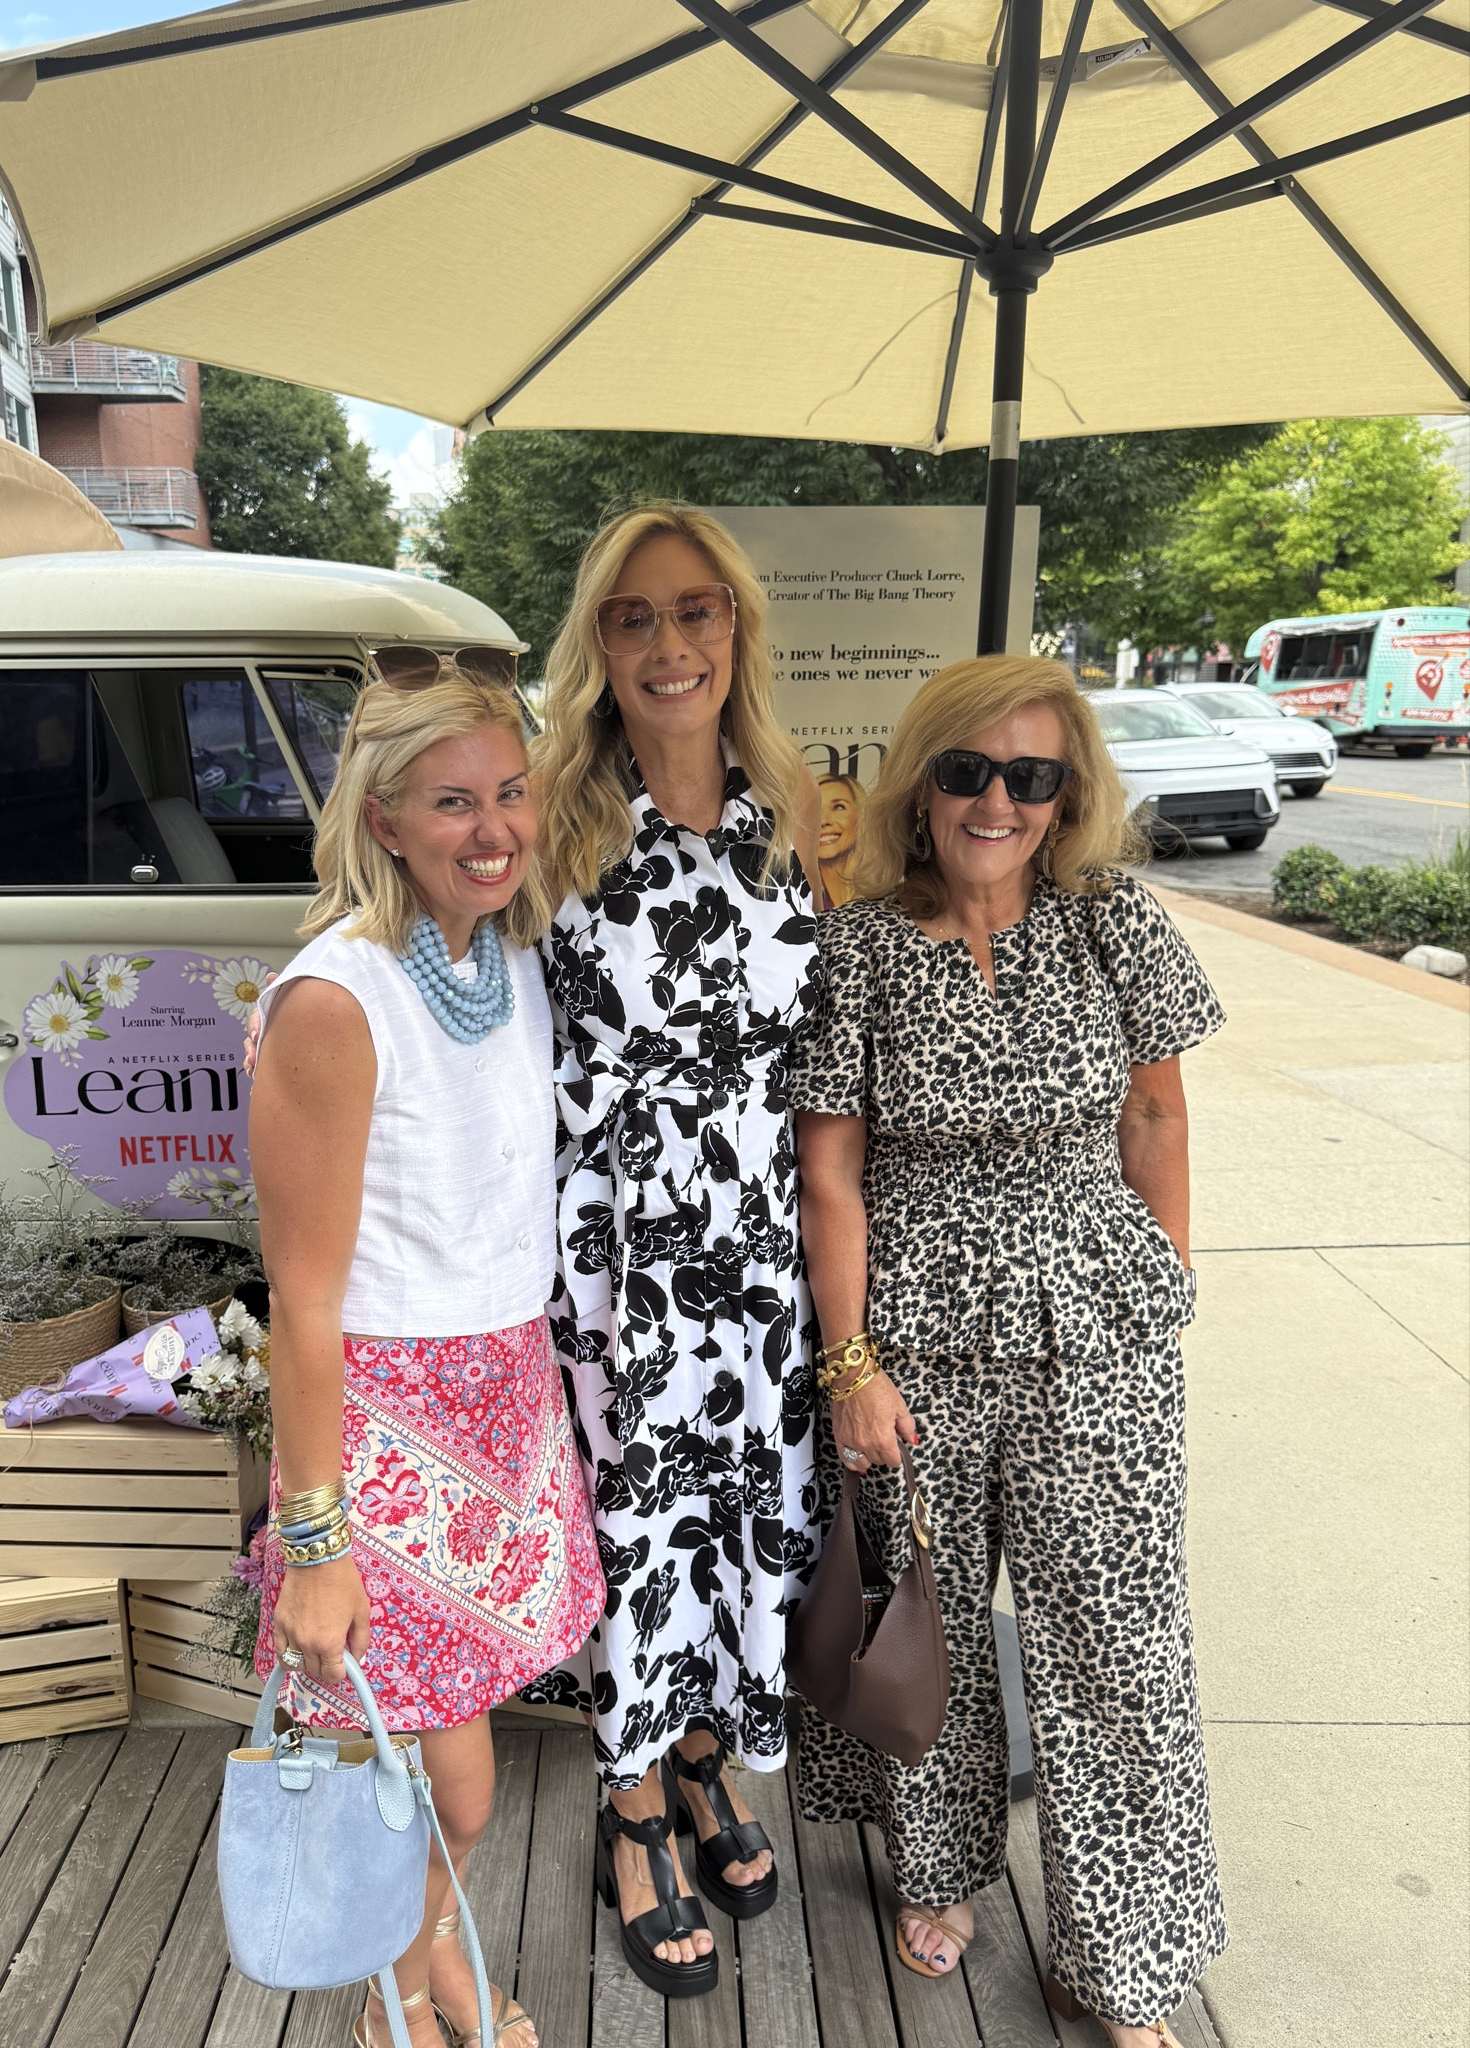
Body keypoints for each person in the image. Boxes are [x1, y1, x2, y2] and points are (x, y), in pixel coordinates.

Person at [791, 656, 1228, 2047]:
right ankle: (938, 1869)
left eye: (1032, 776)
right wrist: (848, 1364)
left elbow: (1155, 1119)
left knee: (1121, 1635)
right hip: (912, 1333)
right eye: (971, 770)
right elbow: (833, 1175)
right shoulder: (855, 947)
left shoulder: (1114, 923)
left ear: (1067, 793)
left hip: (1095, 1321)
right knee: (927, 1623)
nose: (999, 800)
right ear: (923, 782)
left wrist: (1161, 1274)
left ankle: (1123, 1948)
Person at [249, 673, 605, 2048]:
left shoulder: (500, 959)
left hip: (501, 1400)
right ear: (385, 819)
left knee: (446, 1763)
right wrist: (320, 1538)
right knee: (433, 1779)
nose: (492, 827)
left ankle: (427, 1974)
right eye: (452, 801)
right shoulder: (335, 1000)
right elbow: (305, 1306)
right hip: (386, 1432)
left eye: (509, 792)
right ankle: (405, 2010)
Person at [523, 505, 824, 1999]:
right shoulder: (555, 815)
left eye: (696, 611)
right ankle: (632, 1810)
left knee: (744, 1509)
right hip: (625, 1243)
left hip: (763, 1235)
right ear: (598, 642)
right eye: (634, 617)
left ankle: (706, 1762)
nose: (669, 643)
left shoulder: (791, 815)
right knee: (641, 1525)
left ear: (737, 631)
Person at [816, 774, 862, 906]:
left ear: (860, 816)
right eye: (815, 810)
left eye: (838, 807)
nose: (823, 821)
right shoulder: (795, 898)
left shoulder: (884, 891)